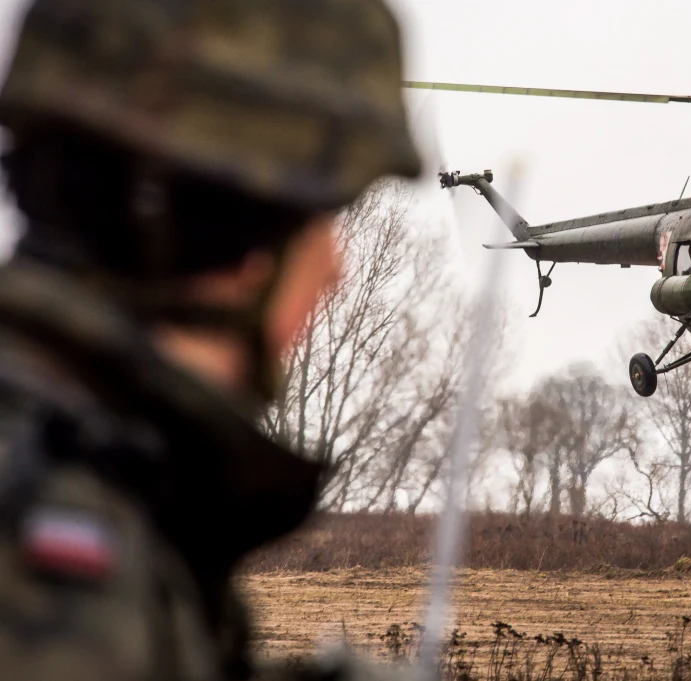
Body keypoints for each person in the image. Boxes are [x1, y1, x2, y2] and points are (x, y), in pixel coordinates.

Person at [0, 0, 422, 678]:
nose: (337, 272)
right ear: (242, 255)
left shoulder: (96, 466)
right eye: (322, 223)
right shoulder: (60, 554)